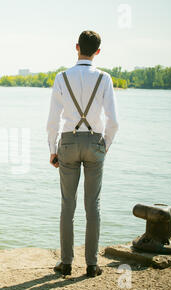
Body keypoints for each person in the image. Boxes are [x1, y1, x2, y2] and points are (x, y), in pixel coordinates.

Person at [46, 30, 119, 277]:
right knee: (93, 206)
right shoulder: (104, 79)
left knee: (68, 204)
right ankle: (91, 265)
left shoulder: (61, 77)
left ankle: (66, 263)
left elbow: (52, 120)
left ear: (76, 47)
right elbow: (114, 121)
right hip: (95, 143)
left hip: (67, 142)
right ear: (97, 51)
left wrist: (52, 149)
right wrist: (104, 145)